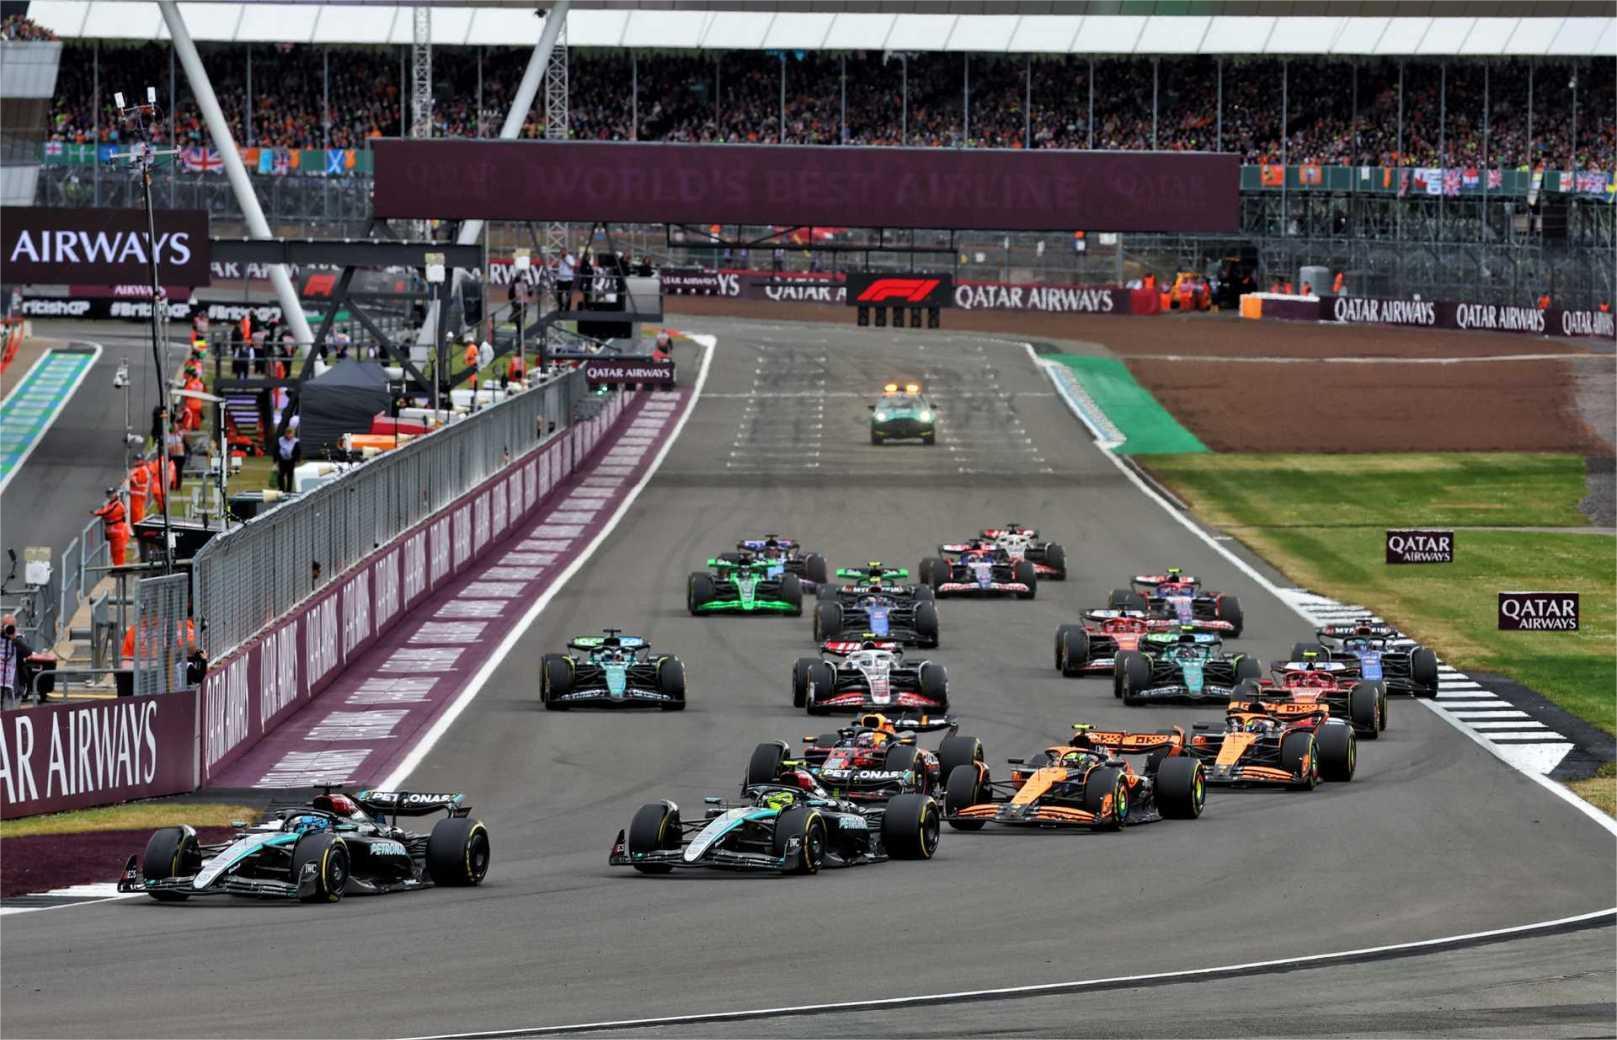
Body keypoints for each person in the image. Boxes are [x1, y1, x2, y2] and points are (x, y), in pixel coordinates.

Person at [1, 613, 35, 708]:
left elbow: (28, 652)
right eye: (6, 625)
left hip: (14, 686)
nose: (8, 628)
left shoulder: (19, 638)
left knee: (10, 714)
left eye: (11, 626)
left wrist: (14, 639)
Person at [93, 487, 132, 566]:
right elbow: (106, 511)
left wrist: (97, 512)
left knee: (119, 552)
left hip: (119, 532)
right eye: (109, 494)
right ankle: (116, 568)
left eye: (112, 494)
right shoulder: (110, 504)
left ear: (115, 494)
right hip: (113, 533)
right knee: (114, 552)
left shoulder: (118, 505)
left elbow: (108, 513)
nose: (110, 496)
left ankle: (119, 569)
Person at [275, 427, 301, 493]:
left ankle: (289, 491)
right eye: (288, 434)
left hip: (291, 461)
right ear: (285, 434)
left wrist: (297, 460)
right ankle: (281, 489)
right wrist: (275, 460)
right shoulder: (280, 440)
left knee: (290, 476)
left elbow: (298, 451)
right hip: (282, 460)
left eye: (291, 434)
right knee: (280, 475)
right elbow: (276, 449)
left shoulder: (295, 441)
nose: (290, 436)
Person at [127, 456, 151, 524]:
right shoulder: (136, 468)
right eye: (135, 459)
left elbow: (138, 482)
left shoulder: (143, 469)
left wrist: (131, 478)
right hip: (134, 494)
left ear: (142, 461)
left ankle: (139, 527)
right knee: (133, 514)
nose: (135, 461)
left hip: (138, 495)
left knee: (137, 515)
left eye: (138, 460)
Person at [165, 421, 187, 489]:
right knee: (172, 471)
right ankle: (171, 485)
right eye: (174, 427)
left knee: (179, 471)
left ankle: (178, 486)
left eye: (176, 427)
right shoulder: (169, 436)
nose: (175, 428)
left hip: (180, 456)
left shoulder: (180, 434)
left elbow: (185, 431)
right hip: (173, 456)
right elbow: (168, 446)